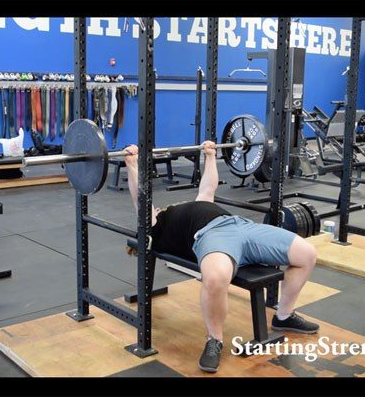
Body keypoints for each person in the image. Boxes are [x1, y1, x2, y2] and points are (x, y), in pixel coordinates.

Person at [123, 141, 319, 373]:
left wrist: (210, 155)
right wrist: (131, 164)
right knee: (215, 278)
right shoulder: (156, 225)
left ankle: (284, 315)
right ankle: (214, 340)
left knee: (307, 254)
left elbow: (208, 188)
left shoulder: (194, 206)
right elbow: (141, 200)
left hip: (241, 226)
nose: (159, 207)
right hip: (211, 236)